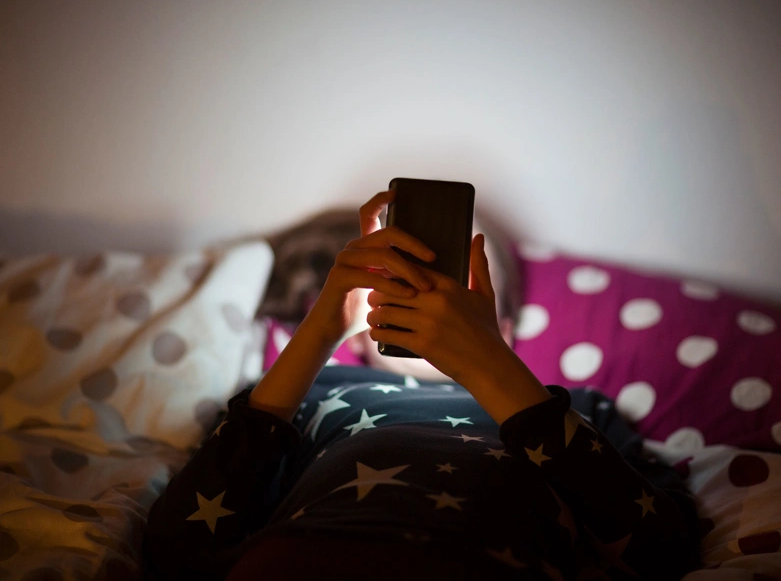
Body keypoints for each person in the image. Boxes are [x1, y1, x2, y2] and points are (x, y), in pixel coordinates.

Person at [143, 191, 701, 580]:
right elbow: (177, 547)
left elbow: (662, 551)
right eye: (398, 283)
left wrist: (492, 369)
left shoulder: (572, 410)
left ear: (503, 331)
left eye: (461, 287)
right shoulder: (307, 389)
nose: (431, 292)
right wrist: (319, 333)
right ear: (359, 331)